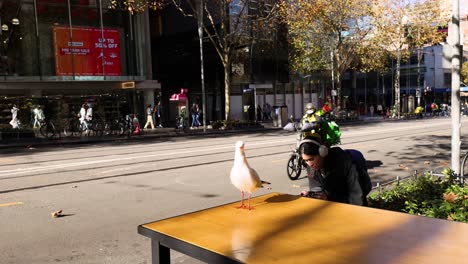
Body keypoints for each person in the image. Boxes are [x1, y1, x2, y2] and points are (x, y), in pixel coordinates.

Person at [299, 136, 364, 206]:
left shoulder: (343, 163)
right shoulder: (311, 167)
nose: (309, 164)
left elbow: (357, 197)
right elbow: (317, 187)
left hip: (350, 205)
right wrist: (311, 194)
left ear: (322, 153)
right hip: (331, 204)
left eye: (311, 159)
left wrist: (329, 198)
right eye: (306, 160)